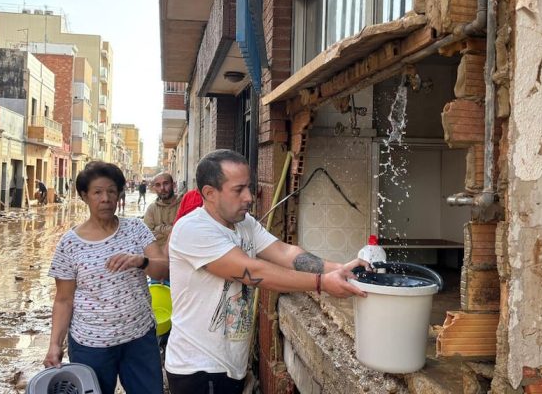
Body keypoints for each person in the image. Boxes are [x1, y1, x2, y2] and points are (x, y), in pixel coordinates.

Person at [165, 149, 368, 393]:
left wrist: (338, 268)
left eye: (249, 187)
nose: (249, 197)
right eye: (238, 190)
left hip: (230, 364)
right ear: (209, 193)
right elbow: (253, 270)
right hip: (198, 368)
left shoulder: (245, 223)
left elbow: (285, 253)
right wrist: (321, 282)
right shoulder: (193, 230)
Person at [43, 162, 169, 394]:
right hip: (91, 345)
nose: (106, 198)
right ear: (84, 196)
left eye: (112, 191)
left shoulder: (136, 229)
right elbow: (63, 300)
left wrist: (140, 261)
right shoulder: (69, 244)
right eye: (98, 192)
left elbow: (163, 270)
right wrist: (54, 345)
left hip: (139, 337)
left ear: (119, 193)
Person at [143, 173, 182, 248]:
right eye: (158, 185)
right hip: (158, 254)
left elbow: (184, 233)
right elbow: (146, 237)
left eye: (166, 183)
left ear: (173, 185)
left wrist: (158, 228)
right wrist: (171, 231)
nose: (162, 188)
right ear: (154, 188)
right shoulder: (152, 209)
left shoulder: (183, 204)